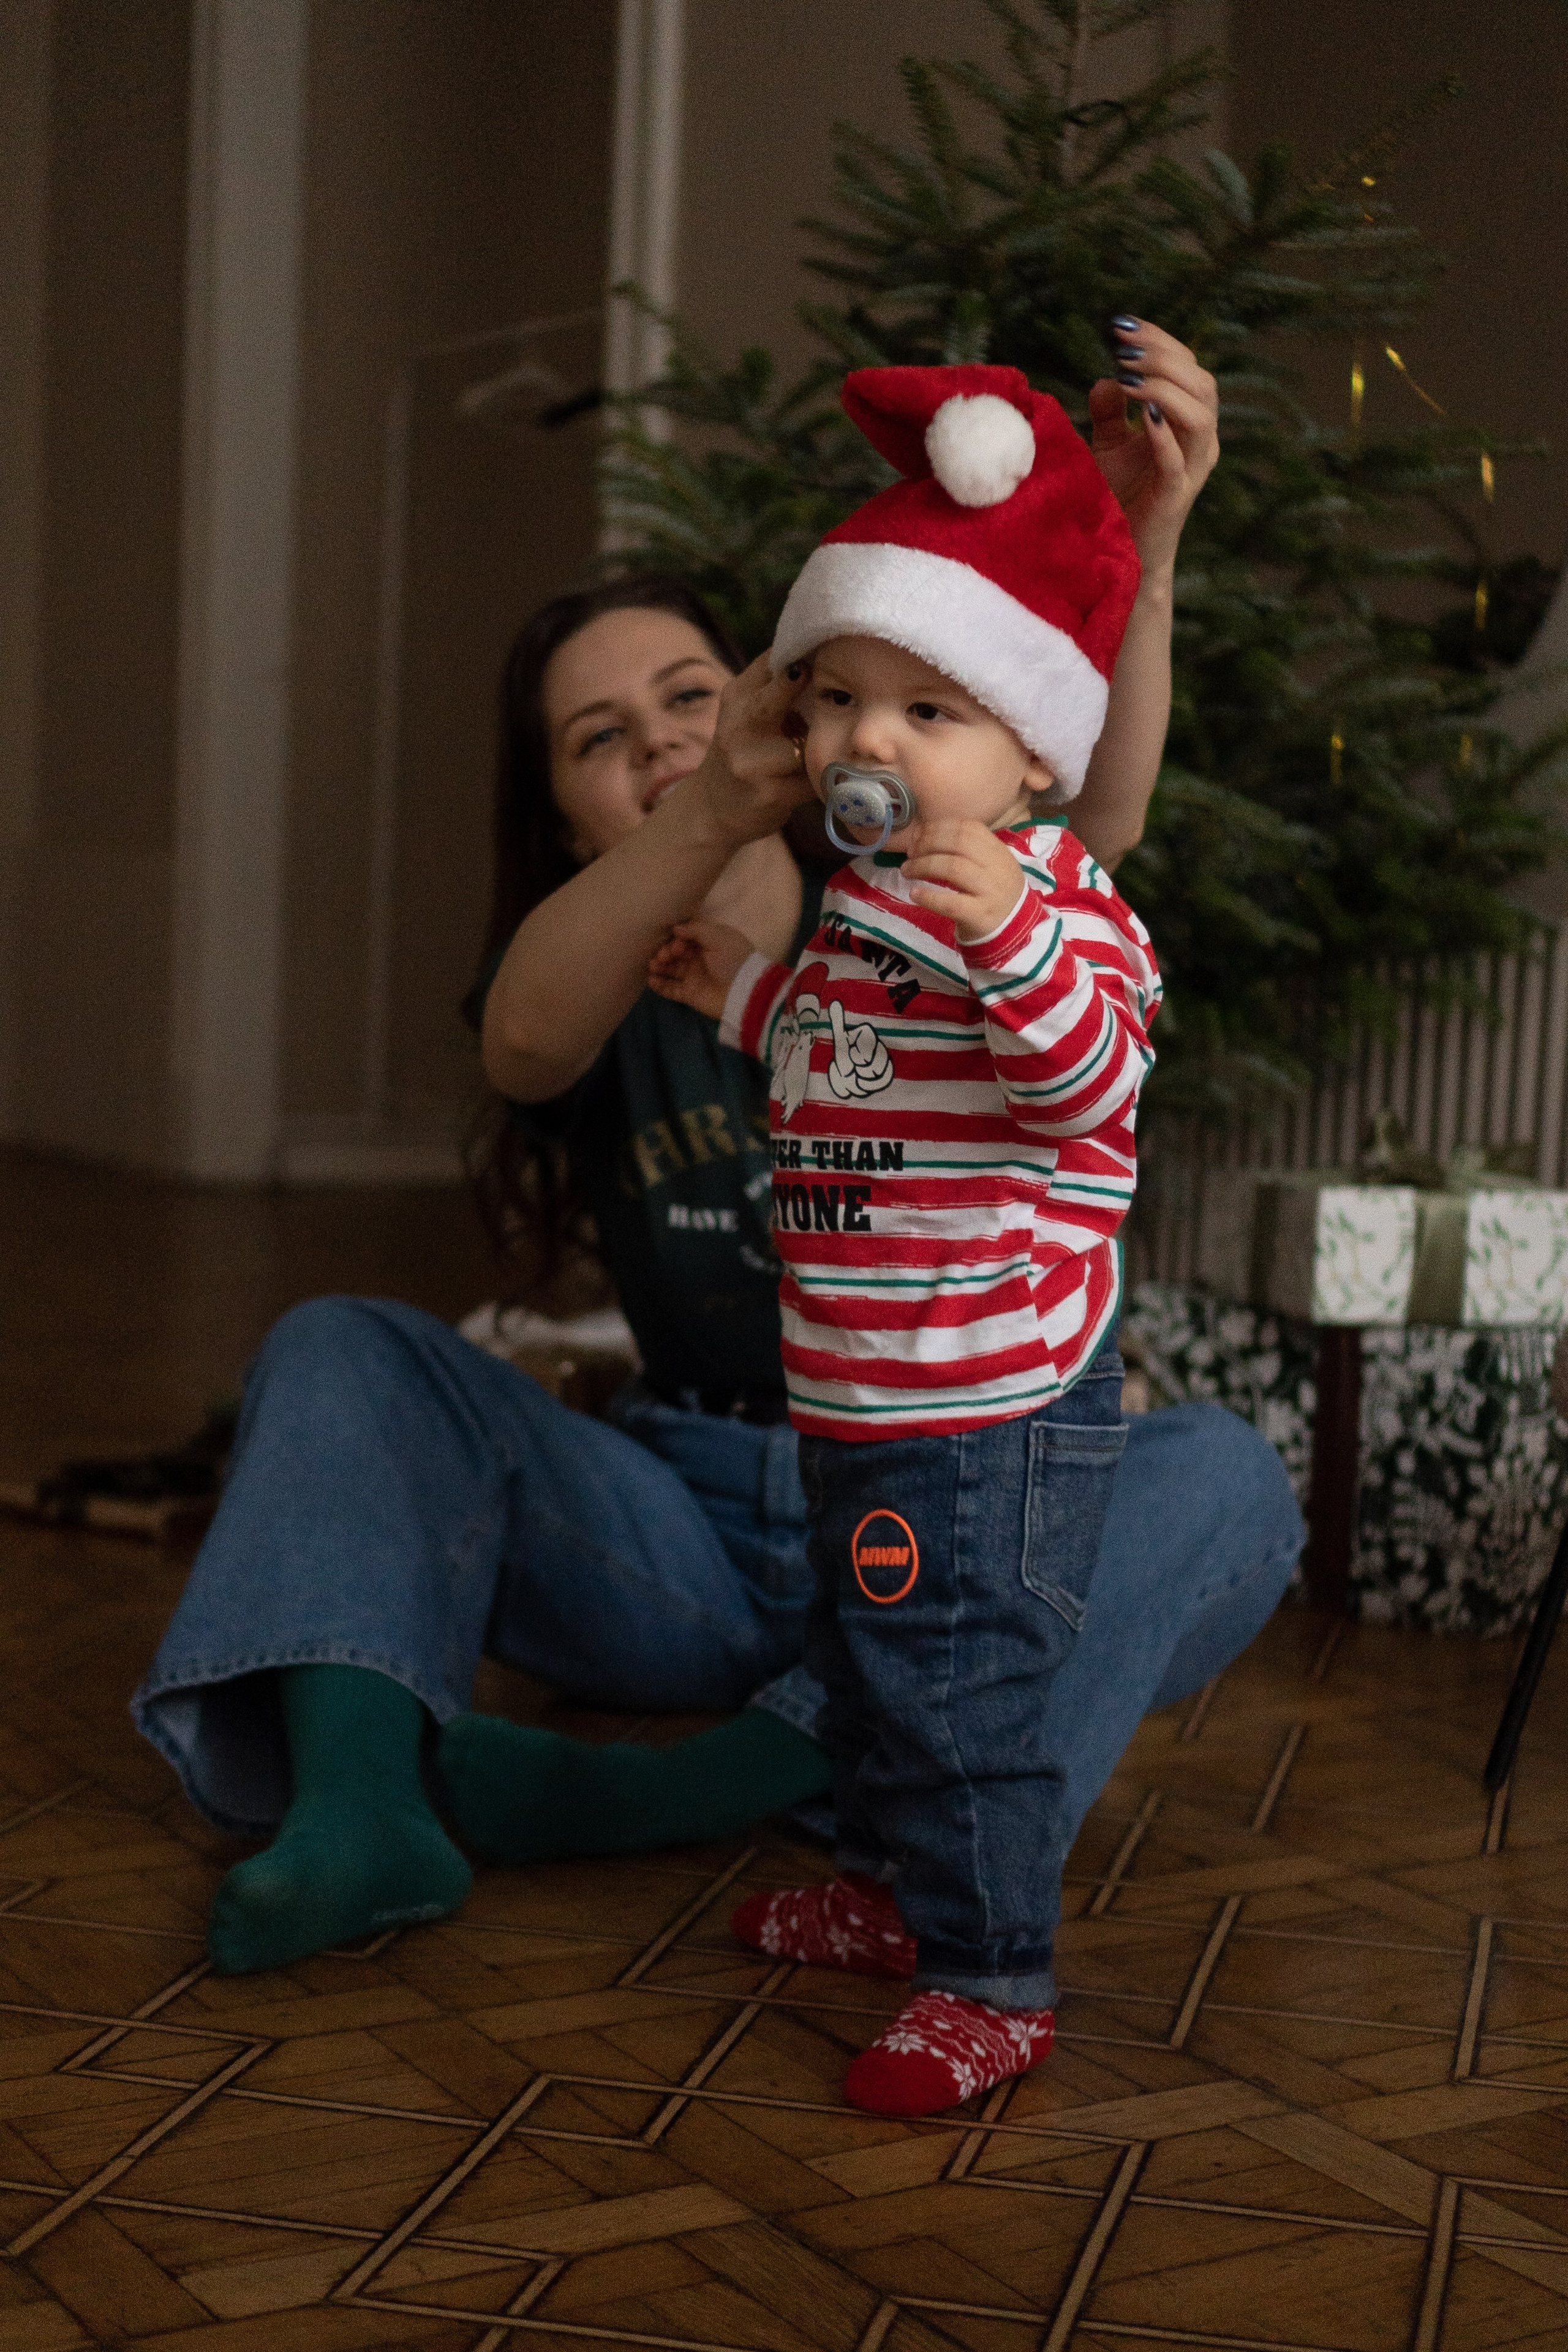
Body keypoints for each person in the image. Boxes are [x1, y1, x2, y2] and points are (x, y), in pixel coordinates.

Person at [131, 322, 1304, 1994]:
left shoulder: (934, 892)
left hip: (957, 1507)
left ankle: (742, 1783)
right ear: (567, 810)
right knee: (340, 1349)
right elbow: (522, 1043)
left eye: (692, 693)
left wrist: (1145, 539)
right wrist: (704, 822)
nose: (662, 743)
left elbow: (1087, 814)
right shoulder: (621, 944)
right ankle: (360, 1813)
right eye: (601, 739)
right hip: (688, 1525)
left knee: (1229, 1486)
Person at [643, 361, 1161, 2116]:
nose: (870, 741)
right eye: (845, 697)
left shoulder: (1062, 902)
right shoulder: (869, 901)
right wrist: (755, 994)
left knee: (955, 1687)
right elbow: (860, 1061)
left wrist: (1015, 930)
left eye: (928, 712)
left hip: (984, 1399)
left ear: (1036, 746)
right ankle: (887, 1895)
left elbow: (1089, 1086)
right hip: (866, 1386)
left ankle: (993, 1976)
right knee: (873, 1670)